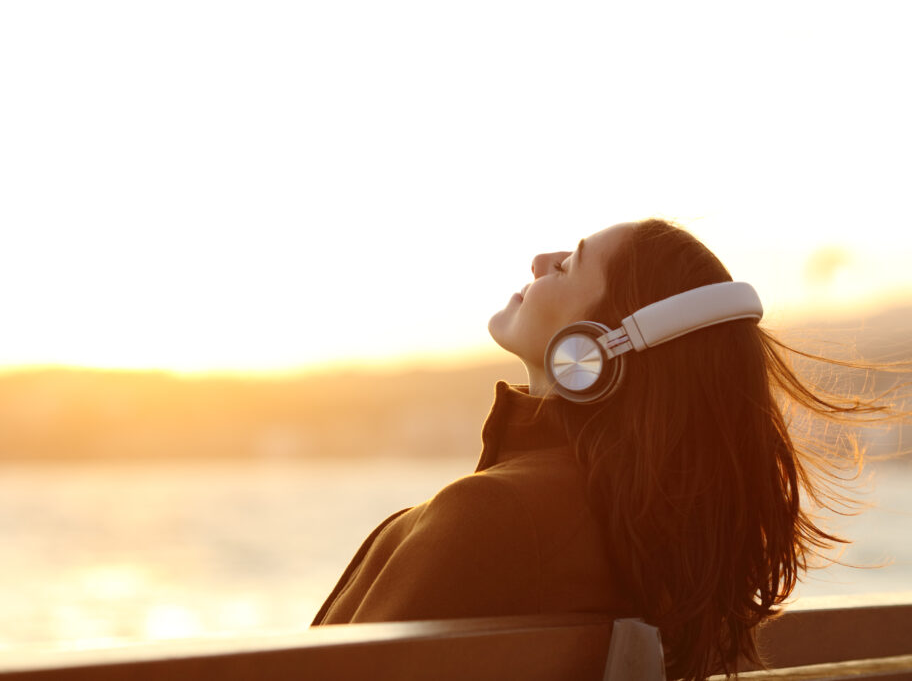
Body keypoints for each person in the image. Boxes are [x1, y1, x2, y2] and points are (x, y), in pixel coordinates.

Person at [312, 218, 905, 680]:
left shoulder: (495, 515)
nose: (540, 261)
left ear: (593, 350)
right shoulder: (648, 531)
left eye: (568, 266)